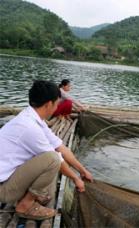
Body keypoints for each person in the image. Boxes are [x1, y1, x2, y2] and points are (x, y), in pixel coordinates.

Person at [0, 80, 93, 220]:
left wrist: (82, 171)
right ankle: (25, 205)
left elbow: (61, 147)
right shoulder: (29, 127)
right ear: (49, 104)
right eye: (56, 104)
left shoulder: (32, 118)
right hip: (3, 188)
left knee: (50, 155)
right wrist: (75, 179)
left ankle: (27, 197)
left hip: (8, 178)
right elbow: (58, 159)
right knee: (52, 159)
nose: (57, 108)